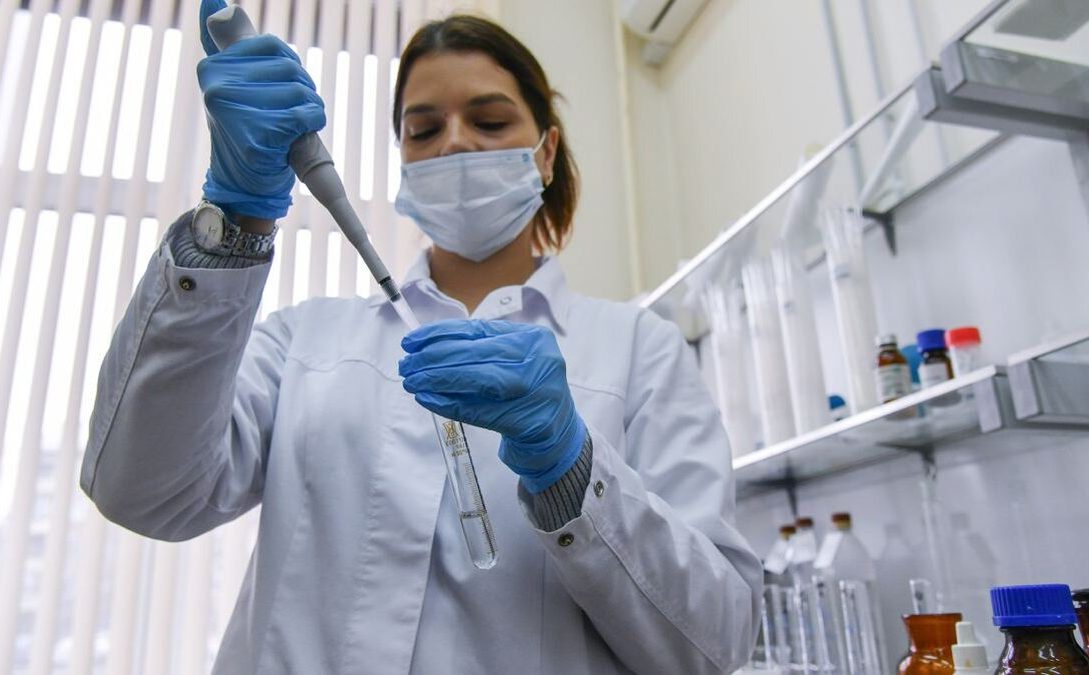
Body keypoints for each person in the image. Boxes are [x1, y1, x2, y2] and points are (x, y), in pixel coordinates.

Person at [81, 1, 762, 672]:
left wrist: (572, 469)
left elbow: (714, 641)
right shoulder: (304, 341)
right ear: (403, 160)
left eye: (490, 120)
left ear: (546, 153)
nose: (455, 142)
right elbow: (143, 493)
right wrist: (233, 223)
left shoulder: (639, 350)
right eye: (423, 129)